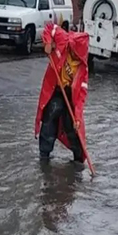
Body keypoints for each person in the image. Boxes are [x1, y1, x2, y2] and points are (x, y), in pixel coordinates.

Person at [35, 22, 89, 163]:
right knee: (51, 112)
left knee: (72, 126)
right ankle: (44, 156)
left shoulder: (82, 71)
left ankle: (78, 160)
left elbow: (81, 98)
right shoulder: (63, 39)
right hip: (56, 89)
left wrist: (77, 118)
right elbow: (49, 28)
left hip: (70, 97)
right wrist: (47, 43)